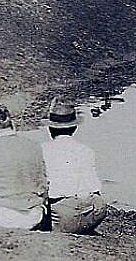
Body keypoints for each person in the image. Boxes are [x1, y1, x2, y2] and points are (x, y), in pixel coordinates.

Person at [40, 99, 108, 234]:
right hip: (92, 210)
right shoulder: (86, 150)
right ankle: (82, 226)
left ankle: (62, 227)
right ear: (74, 128)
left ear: (50, 128)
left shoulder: (42, 149)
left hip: (63, 212)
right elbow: (95, 187)